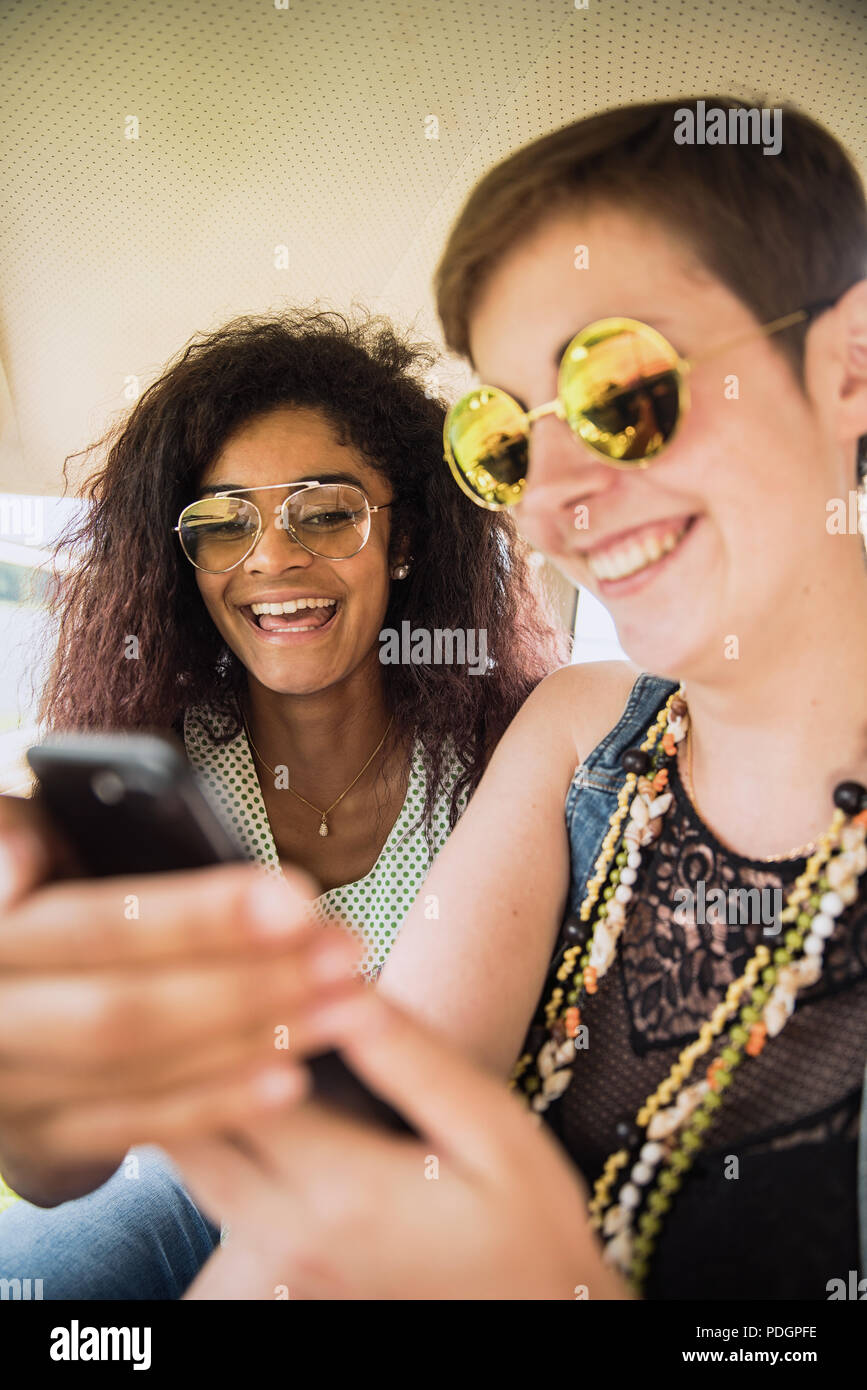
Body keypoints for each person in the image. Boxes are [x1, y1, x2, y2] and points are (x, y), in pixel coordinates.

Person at [158, 96, 866, 1300]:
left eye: (623, 386)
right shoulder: (582, 729)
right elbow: (367, 1159)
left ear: (849, 369)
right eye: (509, 440)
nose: (555, 498)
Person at [0, 308, 563, 1297]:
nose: (270, 558)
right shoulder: (152, 776)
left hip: (432, 1202)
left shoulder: (506, 761)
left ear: (405, 540)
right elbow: (49, 1175)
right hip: (192, 1181)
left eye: (326, 512)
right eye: (223, 523)